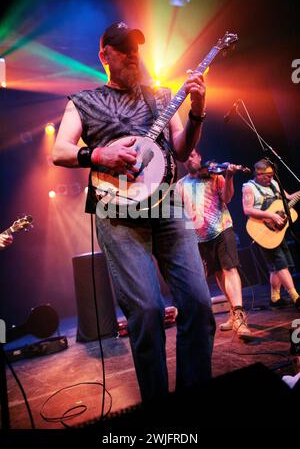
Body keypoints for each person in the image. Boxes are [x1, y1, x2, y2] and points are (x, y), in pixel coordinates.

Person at [52, 22, 216, 402]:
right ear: (104, 54)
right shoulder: (83, 100)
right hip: (117, 209)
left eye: (136, 48)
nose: (132, 54)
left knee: (198, 302)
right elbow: (59, 150)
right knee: (145, 311)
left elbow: (180, 148)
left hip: (168, 204)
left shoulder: (160, 96)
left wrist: (197, 111)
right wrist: (99, 154)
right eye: (122, 48)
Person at [175, 150, 253, 341]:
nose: (189, 158)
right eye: (186, 157)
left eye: (192, 155)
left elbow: (227, 198)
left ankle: (240, 317)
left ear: (199, 156)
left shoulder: (215, 176)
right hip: (200, 237)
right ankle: (232, 313)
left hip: (222, 227)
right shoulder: (179, 185)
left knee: (229, 268)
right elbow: (181, 212)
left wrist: (229, 176)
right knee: (218, 273)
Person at [242, 158, 300, 310]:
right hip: (261, 229)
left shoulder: (274, 184)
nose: (270, 179)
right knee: (280, 263)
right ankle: (296, 297)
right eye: (267, 176)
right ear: (258, 174)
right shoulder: (249, 188)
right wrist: (272, 216)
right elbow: (247, 210)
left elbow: (287, 198)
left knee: (276, 266)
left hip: (276, 231)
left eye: (272, 175)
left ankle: (275, 298)